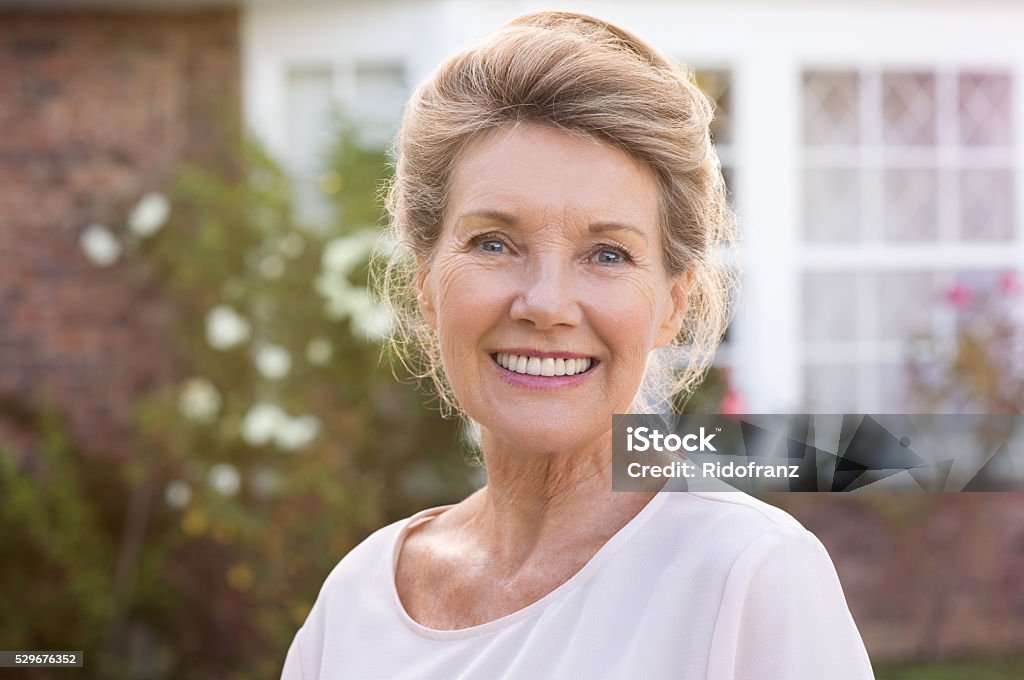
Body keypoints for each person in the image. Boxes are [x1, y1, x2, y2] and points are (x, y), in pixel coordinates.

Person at [281, 10, 875, 679]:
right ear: (425, 281)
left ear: (671, 306)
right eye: (495, 243)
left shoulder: (746, 574)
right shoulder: (357, 600)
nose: (547, 304)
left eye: (607, 254)